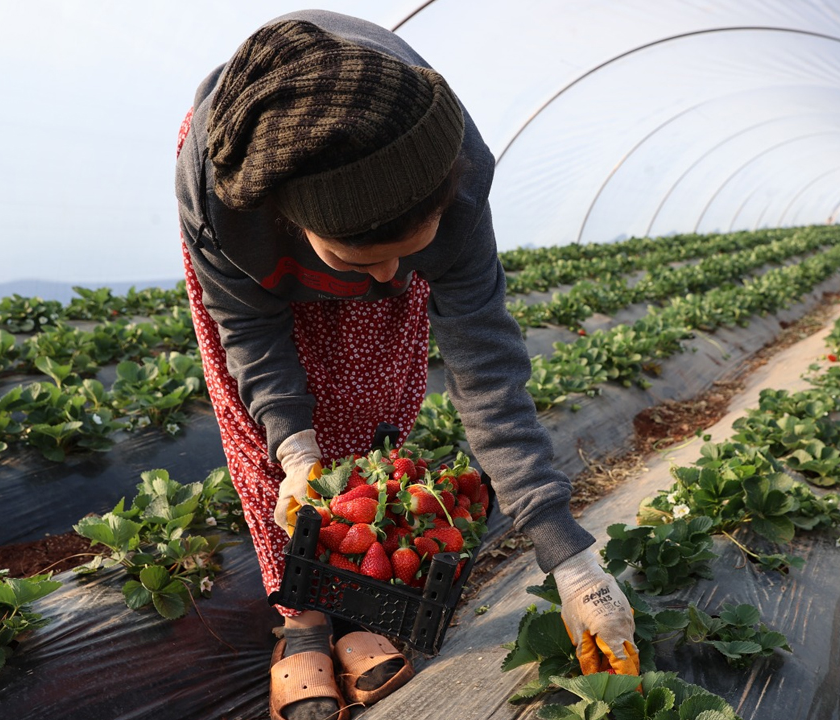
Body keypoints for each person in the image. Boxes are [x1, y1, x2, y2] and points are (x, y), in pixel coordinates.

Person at [174, 10, 638, 720]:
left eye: (410, 255)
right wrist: (296, 452)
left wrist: (573, 563)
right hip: (254, 219)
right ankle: (304, 615)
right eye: (364, 259)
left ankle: (360, 598)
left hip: (379, 191)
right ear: (294, 224)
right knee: (271, 440)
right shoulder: (222, 201)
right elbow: (252, 332)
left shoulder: (449, 163)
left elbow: (485, 367)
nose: (394, 278)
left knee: (370, 403)